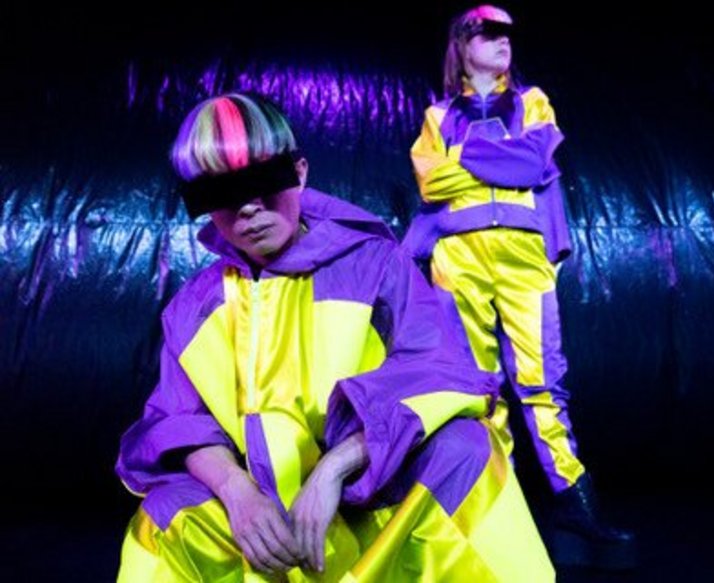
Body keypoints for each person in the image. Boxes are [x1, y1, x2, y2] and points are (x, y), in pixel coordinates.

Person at [115, 93, 554, 581]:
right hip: (260, 524)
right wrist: (237, 492)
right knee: (165, 514)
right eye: (221, 192)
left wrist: (335, 469)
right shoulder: (193, 309)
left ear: (299, 172)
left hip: (370, 498)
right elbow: (178, 421)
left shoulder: (376, 266)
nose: (249, 207)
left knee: (466, 448)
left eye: (263, 181)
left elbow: (440, 375)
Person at [402, 5, 636, 569]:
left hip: (524, 255)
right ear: (462, 44)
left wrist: (467, 159)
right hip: (458, 256)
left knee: (542, 379)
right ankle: (496, 503)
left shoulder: (533, 102)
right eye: (488, 32)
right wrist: (498, 162)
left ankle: (573, 500)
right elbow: (432, 182)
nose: (502, 40)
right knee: (475, 385)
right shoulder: (437, 115)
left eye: (507, 32)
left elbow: (532, 163)